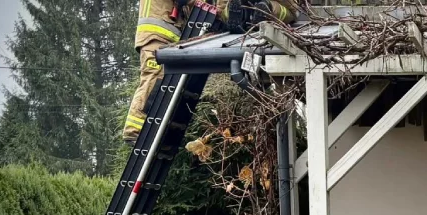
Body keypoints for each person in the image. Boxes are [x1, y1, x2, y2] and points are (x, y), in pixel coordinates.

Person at [123, 0, 297, 144]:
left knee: (164, 81)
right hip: (157, 34)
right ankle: (135, 130)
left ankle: (155, 133)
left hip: (169, 33)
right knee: (155, 76)